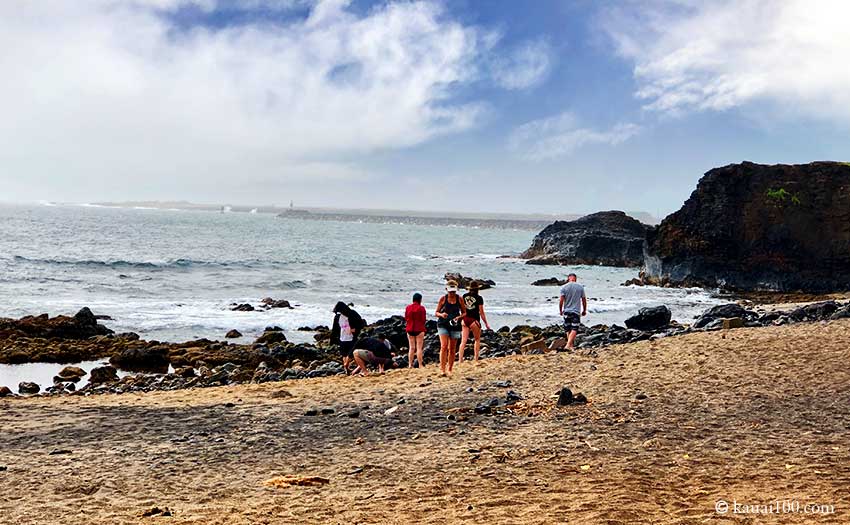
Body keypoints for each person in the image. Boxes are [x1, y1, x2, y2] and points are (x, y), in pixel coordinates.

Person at [435, 280, 466, 376]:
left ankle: (450, 369)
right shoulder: (443, 299)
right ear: (446, 290)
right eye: (450, 291)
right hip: (443, 324)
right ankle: (442, 369)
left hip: (455, 325)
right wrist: (441, 314)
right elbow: (436, 312)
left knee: (452, 348)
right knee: (444, 346)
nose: (452, 293)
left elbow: (465, 312)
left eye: (453, 291)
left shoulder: (459, 299)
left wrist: (459, 317)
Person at [458, 281, 491, 364]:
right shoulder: (479, 298)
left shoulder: (464, 296)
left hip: (465, 320)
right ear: (477, 289)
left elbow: (461, 309)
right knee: (477, 340)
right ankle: (476, 359)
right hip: (474, 320)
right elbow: (481, 312)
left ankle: (460, 359)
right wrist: (486, 323)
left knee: (463, 341)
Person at [331, 301, 365, 373]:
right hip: (342, 338)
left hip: (351, 337)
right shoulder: (337, 317)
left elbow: (361, 323)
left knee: (351, 353)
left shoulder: (352, 314)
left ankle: (346, 365)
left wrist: (355, 329)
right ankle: (347, 368)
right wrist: (333, 338)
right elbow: (335, 328)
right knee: (345, 354)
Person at [558, 273, 587, 350]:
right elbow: (584, 300)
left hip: (566, 311)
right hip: (576, 311)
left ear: (568, 279)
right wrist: (584, 310)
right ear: (575, 279)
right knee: (574, 328)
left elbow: (561, 300)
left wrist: (560, 310)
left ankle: (570, 345)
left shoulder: (563, 287)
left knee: (568, 328)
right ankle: (568, 345)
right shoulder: (580, 287)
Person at [404, 292, 427, 368]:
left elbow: (406, 318)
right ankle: (420, 364)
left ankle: (410, 364)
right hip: (419, 328)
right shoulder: (422, 308)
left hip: (410, 328)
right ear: (420, 300)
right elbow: (423, 319)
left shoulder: (408, 307)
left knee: (411, 347)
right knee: (419, 348)